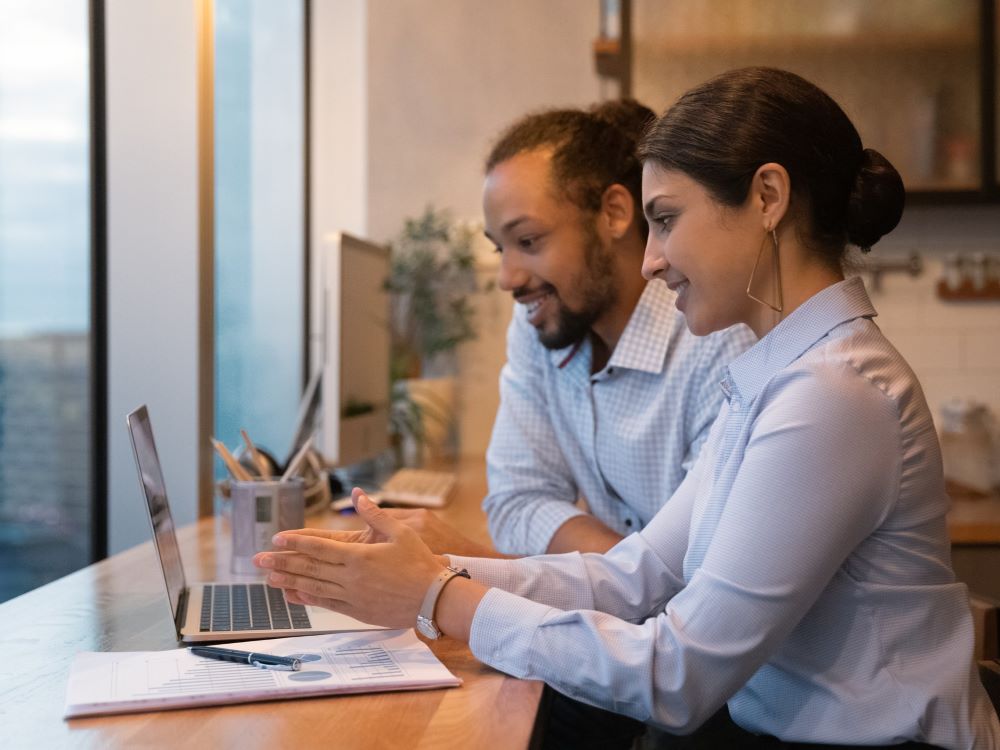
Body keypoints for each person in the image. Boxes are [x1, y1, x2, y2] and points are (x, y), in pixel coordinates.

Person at [255, 67, 1000, 748]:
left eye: (667, 220)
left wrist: (438, 596)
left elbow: (674, 677)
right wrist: (427, 570)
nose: (649, 259)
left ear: (768, 198)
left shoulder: (834, 394)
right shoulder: (783, 373)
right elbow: (638, 573)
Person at [391, 100, 753, 558]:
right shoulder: (539, 326)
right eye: (500, 248)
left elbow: (701, 571)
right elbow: (515, 502)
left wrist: (469, 570)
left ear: (615, 213)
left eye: (528, 241)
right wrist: (627, 572)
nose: (508, 278)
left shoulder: (718, 345)